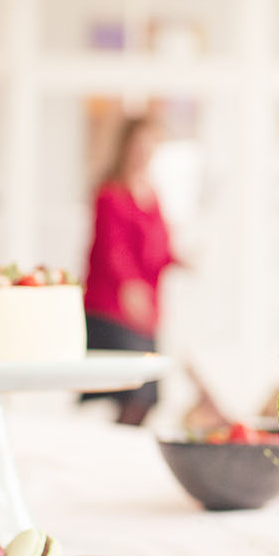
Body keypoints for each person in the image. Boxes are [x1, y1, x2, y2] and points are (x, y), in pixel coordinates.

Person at [82, 116, 173, 425]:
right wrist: (129, 285)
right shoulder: (110, 193)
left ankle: (115, 451)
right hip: (112, 308)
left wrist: (179, 259)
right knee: (132, 392)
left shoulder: (152, 195)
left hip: (146, 311)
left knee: (146, 396)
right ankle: (110, 452)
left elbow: (157, 247)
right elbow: (112, 248)